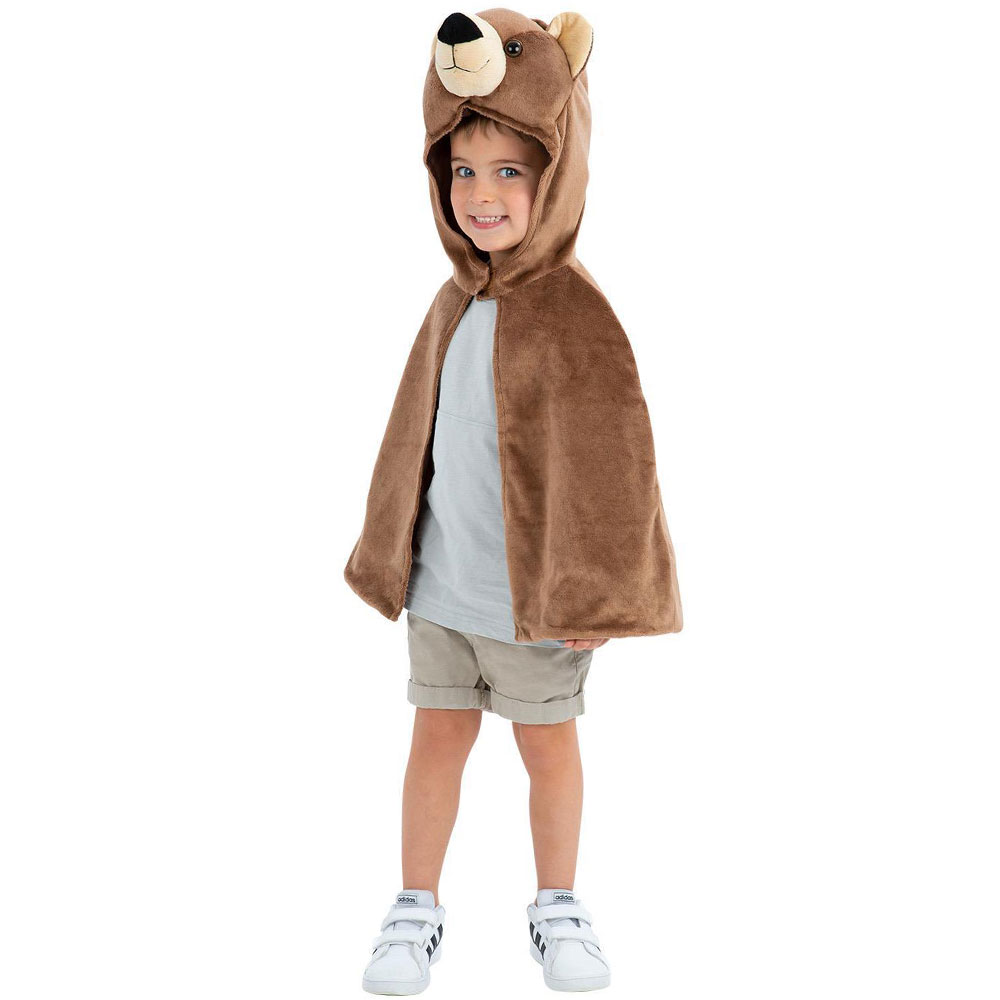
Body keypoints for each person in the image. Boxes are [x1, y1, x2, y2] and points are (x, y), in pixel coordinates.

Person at [347, 10, 682, 994]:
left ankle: (558, 903)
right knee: (433, 743)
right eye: (462, 171)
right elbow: (410, 437)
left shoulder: (577, 315)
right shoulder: (452, 302)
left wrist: (603, 594)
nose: (481, 195)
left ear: (558, 174)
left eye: (508, 171)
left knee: (549, 750)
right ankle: (415, 905)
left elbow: (619, 464)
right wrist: (390, 552)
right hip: (446, 593)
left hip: (537, 605)